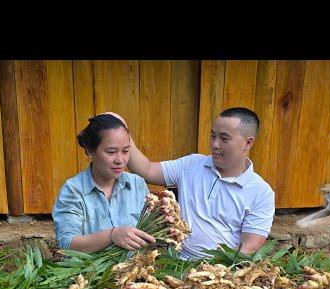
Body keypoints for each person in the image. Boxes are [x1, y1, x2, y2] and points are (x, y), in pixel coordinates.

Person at [106, 107, 275, 259]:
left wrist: (214, 274)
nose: (215, 144)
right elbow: (147, 169)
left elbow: (249, 247)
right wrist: (123, 132)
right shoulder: (192, 165)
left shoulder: (261, 192)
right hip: (175, 263)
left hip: (219, 274)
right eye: (213, 136)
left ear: (248, 143)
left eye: (224, 139)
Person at [52, 114, 156, 253]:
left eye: (125, 151)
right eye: (111, 152)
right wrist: (111, 236)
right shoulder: (73, 190)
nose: (120, 160)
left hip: (134, 271)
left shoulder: (137, 185)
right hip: (89, 272)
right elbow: (67, 243)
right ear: (90, 150)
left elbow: (149, 233)